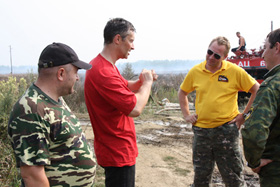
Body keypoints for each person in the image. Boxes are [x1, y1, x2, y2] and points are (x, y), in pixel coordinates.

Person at [8, 42, 96, 187]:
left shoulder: (55, 99)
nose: (78, 78)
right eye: (75, 72)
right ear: (61, 73)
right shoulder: (31, 109)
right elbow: (33, 177)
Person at [84, 18, 157, 187]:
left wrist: (140, 81)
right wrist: (147, 84)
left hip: (116, 148)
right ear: (117, 39)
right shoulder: (103, 72)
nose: (133, 46)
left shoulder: (104, 66)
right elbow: (135, 108)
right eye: (130, 41)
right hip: (117, 151)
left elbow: (125, 86)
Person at [178, 36, 259, 186]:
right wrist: (187, 115)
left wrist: (244, 116)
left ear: (225, 57)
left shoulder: (234, 71)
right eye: (209, 52)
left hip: (226, 131)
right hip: (202, 133)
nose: (211, 57)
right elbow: (182, 92)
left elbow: (256, 90)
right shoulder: (196, 71)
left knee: (233, 179)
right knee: (200, 179)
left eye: (217, 55)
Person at [241, 28, 280, 187]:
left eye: (265, 47)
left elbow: (254, 132)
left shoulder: (272, 86)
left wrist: (254, 162)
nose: (262, 54)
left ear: (277, 48)